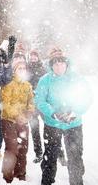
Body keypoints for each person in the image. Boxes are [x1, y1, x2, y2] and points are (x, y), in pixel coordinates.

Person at [35, 48, 92, 185]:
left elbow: (86, 98)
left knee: (75, 156)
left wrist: (75, 112)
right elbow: (39, 100)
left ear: (67, 64)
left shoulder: (77, 78)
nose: (59, 66)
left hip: (73, 124)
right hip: (52, 124)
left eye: (61, 63)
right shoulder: (45, 80)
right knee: (50, 156)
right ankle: (47, 182)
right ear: (51, 65)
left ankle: (76, 181)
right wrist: (53, 112)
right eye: (55, 64)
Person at [0, 59, 35, 183]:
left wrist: (28, 114)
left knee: (23, 148)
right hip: (8, 120)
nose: (22, 70)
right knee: (12, 149)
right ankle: (7, 176)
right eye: (19, 68)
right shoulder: (8, 84)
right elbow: (5, 104)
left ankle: (20, 174)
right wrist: (18, 116)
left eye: (23, 68)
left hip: (23, 122)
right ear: (14, 70)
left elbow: (31, 102)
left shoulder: (27, 85)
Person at [27, 49, 46, 163]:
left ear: (38, 57)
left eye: (35, 56)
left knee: (51, 127)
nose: (33, 58)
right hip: (31, 104)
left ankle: (58, 151)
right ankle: (38, 153)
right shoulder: (27, 68)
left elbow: (45, 85)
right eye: (32, 56)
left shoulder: (42, 69)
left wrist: (38, 91)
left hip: (42, 102)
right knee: (34, 129)